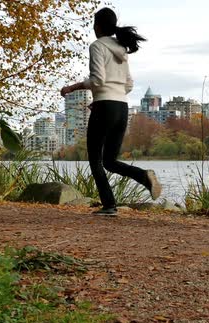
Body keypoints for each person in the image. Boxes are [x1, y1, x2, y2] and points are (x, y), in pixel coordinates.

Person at [61, 7, 161, 216]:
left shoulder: (97, 46)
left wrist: (74, 87)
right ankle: (144, 177)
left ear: (97, 26)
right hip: (121, 107)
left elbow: (98, 79)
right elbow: (129, 84)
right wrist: (107, 99)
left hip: (106, 106)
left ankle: (109, 206)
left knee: (96, 160)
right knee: (109, 161)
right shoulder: (121, 48)